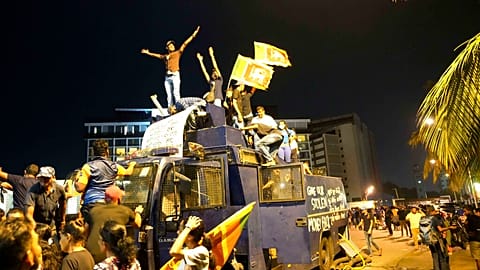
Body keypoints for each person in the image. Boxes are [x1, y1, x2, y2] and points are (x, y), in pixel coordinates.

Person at [75, 139, 136, 220]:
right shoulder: (114, 166)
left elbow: (80, 188)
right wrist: (132, 164)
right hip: (108, 205)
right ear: (107, 151)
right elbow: (128, 172)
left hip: (91, 205)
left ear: (93, 152)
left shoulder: (88, 167)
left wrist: (76, 180)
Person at [141, 26, 200, 108]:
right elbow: (157, 56)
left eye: (173, 45)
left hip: (175, 75)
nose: (172, 46)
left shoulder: (178, 53)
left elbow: (185, 43)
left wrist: (194, 34)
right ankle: (170, 109)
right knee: (169, 95)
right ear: (167, 48)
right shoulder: (165, 56)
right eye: (170, 45)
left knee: (176, 93)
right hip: (167, 77)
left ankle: (179, 108)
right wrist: (148, 53)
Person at [85, 185, 143, 263]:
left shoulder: (93, 211)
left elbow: (86, 231)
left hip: (91, 255)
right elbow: (137, 224)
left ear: (105, 199)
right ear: (119, 199)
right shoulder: (124, 210)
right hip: (111, 255)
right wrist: (138, 212)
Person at [25, 166, 67, 234]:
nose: (43, 180)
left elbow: (63, 204)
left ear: (53, 177)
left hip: (52, 225)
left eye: (46, 178)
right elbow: (29, 214)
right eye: (41, 177)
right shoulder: (32, 190)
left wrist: (63, 221)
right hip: (37, 225)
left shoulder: (59, 189)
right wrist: (33, 228)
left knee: (54, 242)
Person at [464, 205, 480, 270]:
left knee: (478, 259)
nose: (464, 213)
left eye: (465, 211)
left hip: (474, 240)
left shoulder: (470, 218)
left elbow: (467, 228)